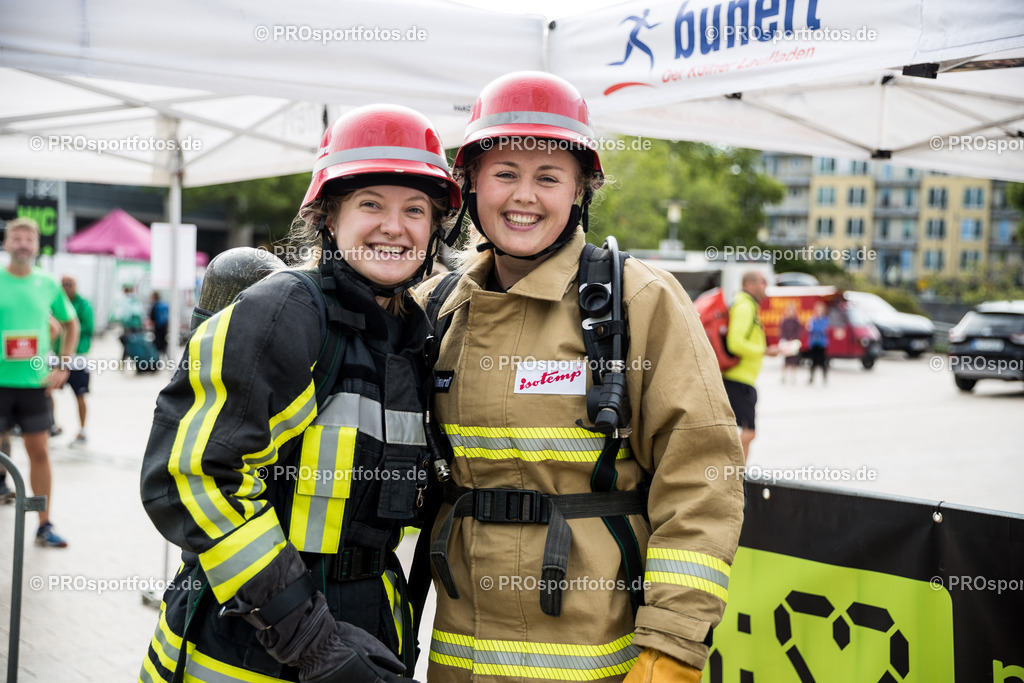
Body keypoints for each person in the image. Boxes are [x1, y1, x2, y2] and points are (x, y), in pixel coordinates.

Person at [418, 72, 744, 682]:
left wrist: (672, 645)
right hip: (461, 652)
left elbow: (702, 478)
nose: (525, 196)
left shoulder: (637, 302)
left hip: (603, 655)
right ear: (470, 185)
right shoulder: (436, 310)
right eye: (505, 173)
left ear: (580, 191)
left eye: (549, 177)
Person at [138, 104, 460, 683]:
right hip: (246, 643)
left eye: (415, 210)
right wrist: (311, 642)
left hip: (369, 627)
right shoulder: (285, 311)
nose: (395, 226)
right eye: (371, 204)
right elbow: (193, 479)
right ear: (329, 218)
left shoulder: (412, 339)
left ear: (434, 229)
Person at [0, 217, 79, 547]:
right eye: (16, 237)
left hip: (34, 385)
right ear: (5, 244)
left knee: (40, 453)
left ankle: (44, 524)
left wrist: (63, 365)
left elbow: (70, 324)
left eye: (28, 239)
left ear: (36, 246)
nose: (22, 243)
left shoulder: (47, 283)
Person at [722, 271, 778, 461]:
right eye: (763, 283)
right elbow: (735, 343)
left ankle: (738, 478)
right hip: (737, 379)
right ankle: (725, 469)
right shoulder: (744, 306)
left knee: (747, 433)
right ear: (750, 285)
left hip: (743, 379)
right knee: (748, 432)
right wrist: (764, 351)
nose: (766, 288)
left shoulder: (749, 306)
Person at [59, 275, 94, 445]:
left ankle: (82, 429)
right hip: (57, 357)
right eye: (64, 284)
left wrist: (68, 328)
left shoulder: (83, 304)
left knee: (80, 394)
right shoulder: (56, 302)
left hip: (78, 358)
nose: (67, 287)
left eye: (70, 284)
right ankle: (49, 425)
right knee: (44, 391)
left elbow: (87, 327)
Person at [807, 301, 830, 384]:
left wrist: (816, 329)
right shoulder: (812, 319)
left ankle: (824, 377)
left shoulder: (825, 320)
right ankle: (811, 377)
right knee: (813, 361)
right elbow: (810, 329)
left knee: (822, 361)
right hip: (814, 343)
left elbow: (823, 330)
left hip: (822, 343)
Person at [779, 303, 802, 384]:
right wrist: (786, 339)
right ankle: (783, 377)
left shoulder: (796, 321)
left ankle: (793, 377)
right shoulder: (784, 321)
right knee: (785, 360)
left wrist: (793, 339)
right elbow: (782, 331)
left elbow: (798, 331)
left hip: (793, 342)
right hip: (786, 341)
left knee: (794, 361)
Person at [149, 290, 169, 356]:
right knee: (163, 340)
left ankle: (158, 355)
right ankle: (165, 352)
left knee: (158, 341)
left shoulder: (155, 305)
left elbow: (152, 317)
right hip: (165, 326)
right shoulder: (164, 304)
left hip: (158, 326)